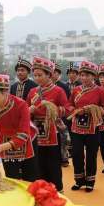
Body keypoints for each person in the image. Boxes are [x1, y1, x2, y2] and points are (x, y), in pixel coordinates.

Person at [27, 56, 70, 192]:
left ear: (49, 75)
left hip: (52, 132)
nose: (37, 78)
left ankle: (58, 191)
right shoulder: (33, 92)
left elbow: (67, 109)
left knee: (53, 163)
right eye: (35, 75)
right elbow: (25, 111)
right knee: (38, 163)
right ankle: (43, 191)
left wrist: (52, 108)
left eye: (40, 75)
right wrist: (30, 110)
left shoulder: (58, 91)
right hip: (36, 132)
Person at [69, 61, 104, 192]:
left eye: (87, 75)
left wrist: (90, 109)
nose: (84, 78)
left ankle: (90, 181)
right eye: (82, 75)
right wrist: (74, 110)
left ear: (93, 76)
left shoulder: (100, 91)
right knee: (77, 154)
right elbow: (69, 106)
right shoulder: (75, 90)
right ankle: (79, 180)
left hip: (92, 128)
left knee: (91, 154)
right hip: (76, 128)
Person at [51, 60, 71, 167]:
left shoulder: (63, 86)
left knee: (62, 139)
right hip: (48, 119)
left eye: (56, 72)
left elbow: (67, 103)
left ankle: (64, 158)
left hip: (60, 117)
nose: (53, 74)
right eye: (52, 72)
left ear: (58, 74)